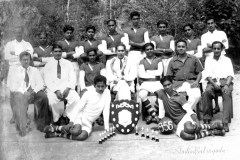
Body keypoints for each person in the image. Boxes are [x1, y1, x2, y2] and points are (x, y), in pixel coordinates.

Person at [155, 76, 225, 140]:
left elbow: (189, 111)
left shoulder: (179, 96)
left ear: (172, 84)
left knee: (189, 129)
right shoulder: (161, 93)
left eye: (169, 84)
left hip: (184, 118)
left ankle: (212, 126)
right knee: (186, 136)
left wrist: (197, 122)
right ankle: (211, 132)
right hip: (175, 123)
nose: (167, 87)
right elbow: (161, 109)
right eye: (165, 85)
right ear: (162, 86)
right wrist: (161, 121)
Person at [44, 75, 111, 141]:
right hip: (81, 117)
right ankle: (56, 128)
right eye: (98, 86)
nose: (100, 89)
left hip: (89, 122)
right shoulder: (88, 94)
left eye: (102, 86)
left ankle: (57, 134)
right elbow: (78, 108)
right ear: (94, 86)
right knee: (75, 132)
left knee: (82, 136)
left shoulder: (107, 93)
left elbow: (106, 110)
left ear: (105, 86)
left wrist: (107, 127)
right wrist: (71, 122)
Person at [7, 51, 51, 135]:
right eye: (24, 60)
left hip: (33, 93)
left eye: (28, 60)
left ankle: (42, 124)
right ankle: (22, 126)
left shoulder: (34, 70)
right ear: (20, 60)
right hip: (21, 93)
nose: (26, 62)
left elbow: (40, 83)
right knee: (18, 98)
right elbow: (13, 86)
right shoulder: (16, 71)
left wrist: (33, 92)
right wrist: (24, 92)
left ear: (30, 60)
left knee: (43, 97)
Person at [43, 43, 80, 124]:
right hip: (53, 89)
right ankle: (57, 118)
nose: (58, 53)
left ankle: (67, 115)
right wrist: (56, 91)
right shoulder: (48, 65)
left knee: (76, 98)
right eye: (55, 51)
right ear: (52, 53)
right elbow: (47, 80)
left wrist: (68, 88)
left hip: (67, 87)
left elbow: (72, 77)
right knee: (52, 101)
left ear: (62, 52)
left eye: (59, 51)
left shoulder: (68, 63)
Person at [202, 41, 234, 132]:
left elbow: (230, 75)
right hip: (213, 82)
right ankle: (207, 119)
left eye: (218, 48)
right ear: (212, 49)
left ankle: (225, 122)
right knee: (206, 93)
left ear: (222, 49)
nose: (216, 50)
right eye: (214, 48)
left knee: (226, 92)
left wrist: (227, 85)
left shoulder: (227, 60)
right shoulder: (208, 60)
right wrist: (213, 84)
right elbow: (207, 75)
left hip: (225, 81)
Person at [4, 26, 34, 123]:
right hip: (13, 71)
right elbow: (7, 57)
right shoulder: (9, 44)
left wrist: (15, 54)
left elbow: (30, 55)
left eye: (20, 32)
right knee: (13, 94)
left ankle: (24, 114)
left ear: (22, 33)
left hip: (23, 70)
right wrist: (22, 56)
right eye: (16, 32)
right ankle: (14, 115)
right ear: (14, 33)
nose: (18, 34)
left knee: (24, 93)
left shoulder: (27, 44)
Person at [167, 39, 203, 111]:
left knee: (197, 95)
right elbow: (169, 76)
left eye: (183, 46)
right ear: (176, 48)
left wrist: (196, 82)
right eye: (179, 46)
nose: (181, 48)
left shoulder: (193, 58)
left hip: (191, 83)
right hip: (177, 84)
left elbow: (199, 72)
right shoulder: (172, 61)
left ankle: (184, 113)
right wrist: (171, 87)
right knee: (171, 98)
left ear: (186, 48)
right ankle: (188, 113)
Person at [138, 43, 163, 124]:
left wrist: (147, 72)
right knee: (142, 94)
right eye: (147, 49)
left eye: (151, 49)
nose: (149, 51)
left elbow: (160, 72)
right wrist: (153, 74)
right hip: (146, 83)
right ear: (145, 51)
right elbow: (141, 74)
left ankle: (151, 115)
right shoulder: (142, 61)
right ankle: (154, 115)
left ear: (153, 49)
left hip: (157, 82)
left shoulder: (158, 60)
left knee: (162, 94)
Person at [123, 11, 150, 82]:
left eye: (137, 19)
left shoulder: (144, 30)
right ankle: (132, 89)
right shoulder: (126, 31)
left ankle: (140, 88)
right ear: (131, 20)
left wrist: (133, 43)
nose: (136, 20)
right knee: (131, 71)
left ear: (139, 19)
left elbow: (146, 44)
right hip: (131, 54)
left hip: (142, 53)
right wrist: (140, 44)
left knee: (141, 70)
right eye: (134, 19)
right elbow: (127, 46)